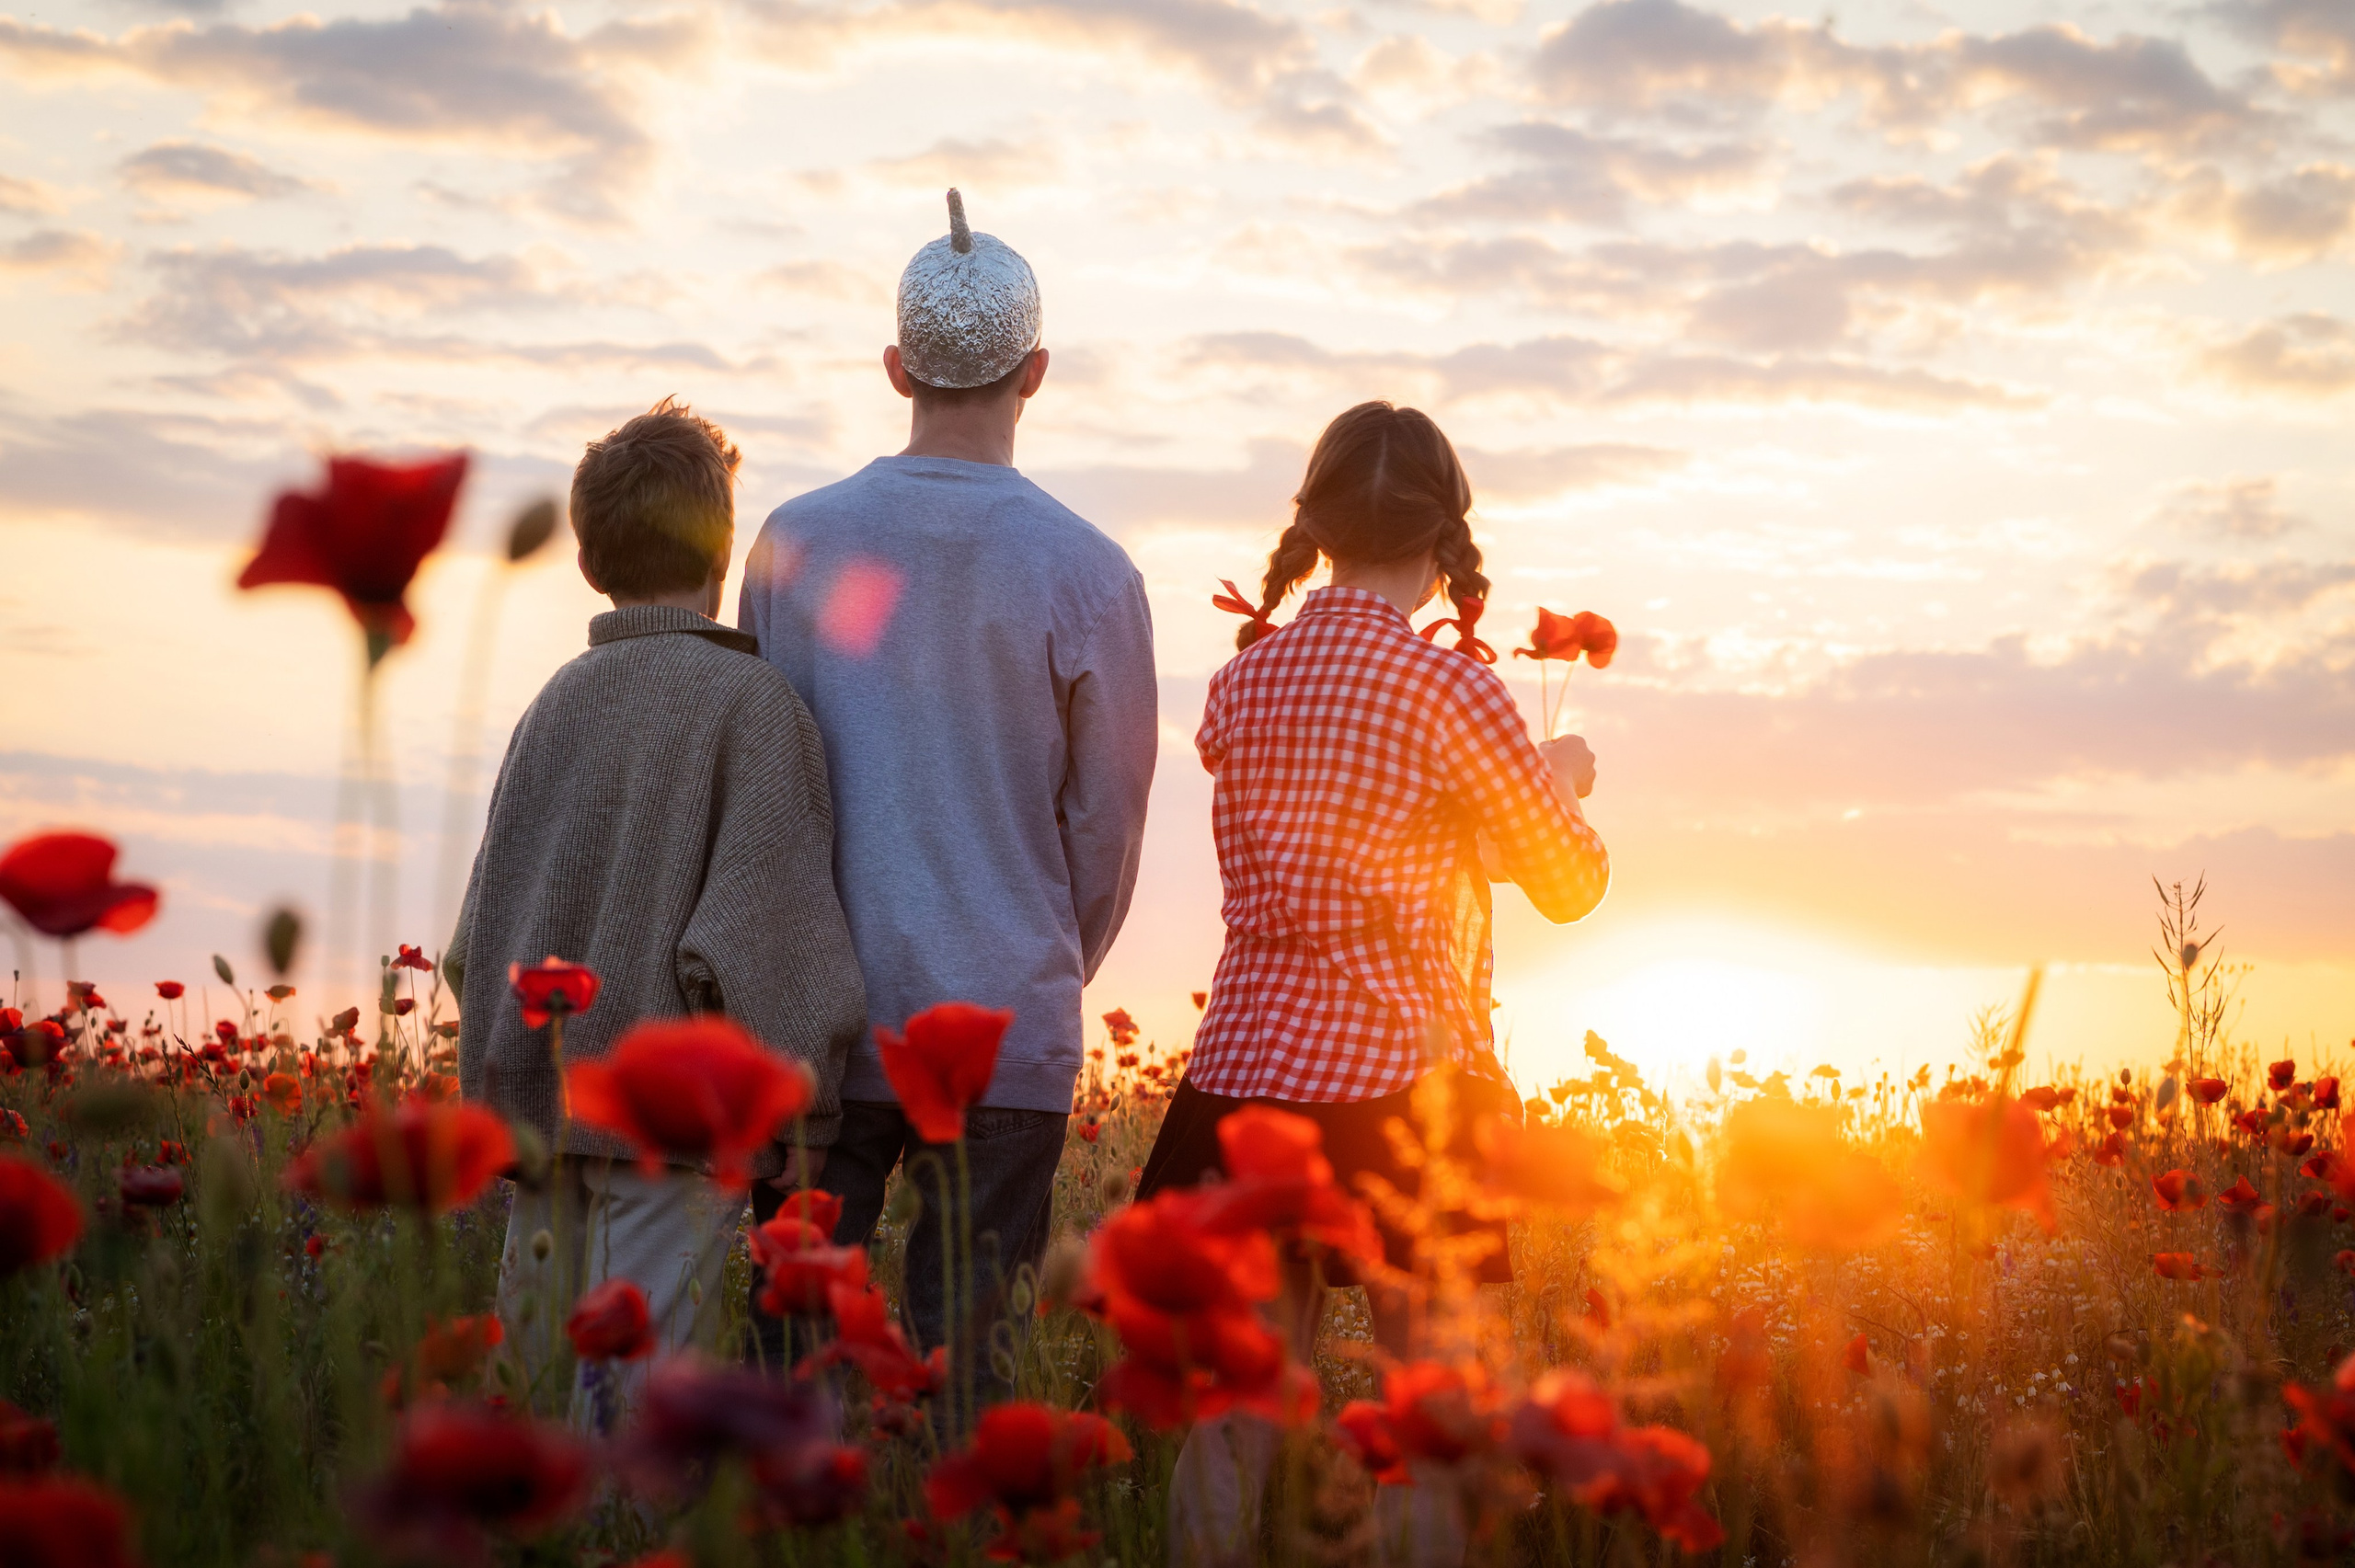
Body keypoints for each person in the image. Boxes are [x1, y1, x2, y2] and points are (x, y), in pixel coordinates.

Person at [1141, 401, 1611, 1566]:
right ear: (1445, 537)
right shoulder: (1451, 692)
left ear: (1313, 523)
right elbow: (1567, 884)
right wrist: (1556, 779)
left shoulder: (1243, 684)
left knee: (1235, 1418)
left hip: (1245, 1077)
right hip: (1403, 1089)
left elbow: (1351, 837)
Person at [737, 190, 1158, 1382]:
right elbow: (1107, 823)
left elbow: (759, 786)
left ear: (894, 369)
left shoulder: (793, 543)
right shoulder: (1091, 572)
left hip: (820, 1020)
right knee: (969, 1375)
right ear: (1036, 374)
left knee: (790, 1366)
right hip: (1006, 1021)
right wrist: (1044, 957)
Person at [447, 397, 866, 1424]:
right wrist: (806, 1104)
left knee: (530, 1400)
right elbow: (763, 941)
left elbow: (472, 943)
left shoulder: (553, 703)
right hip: (666, 1134)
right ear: (723, 550)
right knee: (632, 1415)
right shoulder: (755, 704)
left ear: (590, 560)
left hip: (538, 1113)